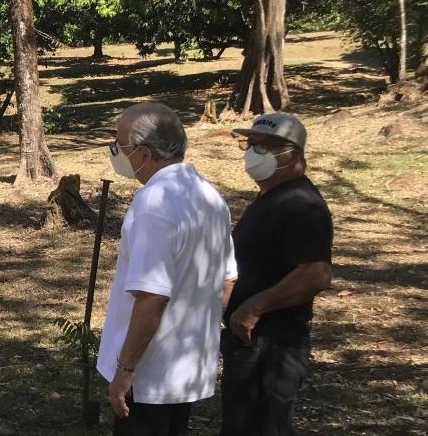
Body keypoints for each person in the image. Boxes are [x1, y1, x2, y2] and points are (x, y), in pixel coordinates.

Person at [97, 102, 237, 436]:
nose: (115, 152)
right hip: (187, 367)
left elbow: (151, 296)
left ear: (143, 154)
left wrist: (126, 369)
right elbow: (228, 279)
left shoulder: (152, 204)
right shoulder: (209, 195)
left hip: (150, 376)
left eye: (119, 145)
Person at [221, 113, 333, 436]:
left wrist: (255, 307)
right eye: (251, 144)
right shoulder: (271, 197)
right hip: (249, 343)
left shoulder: (302, 205)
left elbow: (317, 274)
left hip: (272, 347)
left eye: (267, 147)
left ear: (294, 156)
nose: (254, 153)